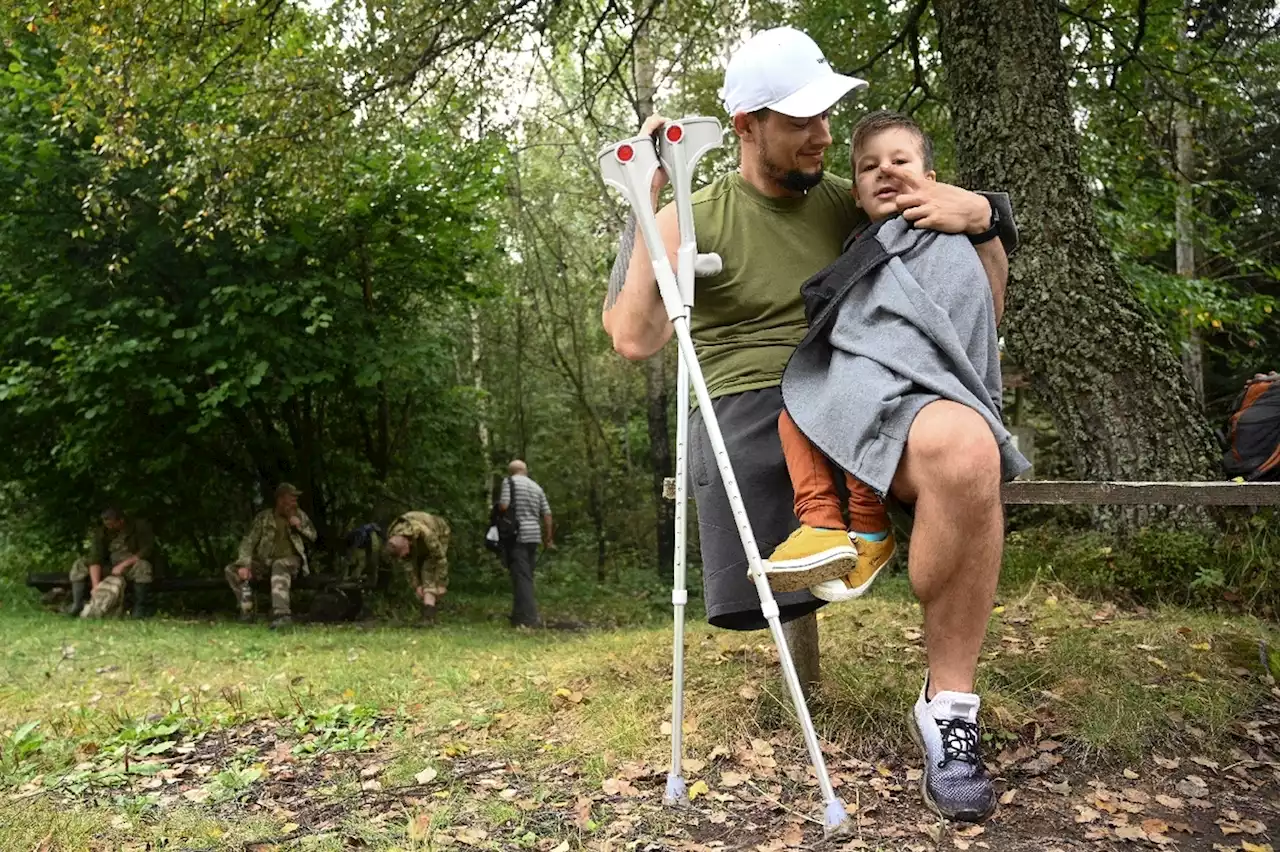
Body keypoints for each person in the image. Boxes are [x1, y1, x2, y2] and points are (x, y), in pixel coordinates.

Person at [602, 27, 1015, 822]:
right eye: (799, 120)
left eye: (827, 114)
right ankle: (847, 533)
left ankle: (949, 711)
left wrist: (987, 219)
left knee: (969, 450)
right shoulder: (700, 210)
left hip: (872, 390)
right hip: (758, 409)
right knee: (908, 451)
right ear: (745, 127)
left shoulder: (858, 195)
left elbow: (978, 306)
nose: (824, 134)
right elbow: (634, 337)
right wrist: (646, 201)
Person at [768, 111, 1030, 607]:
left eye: (900, 160)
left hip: (924, 390)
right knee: (794, 412)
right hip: (873, 381)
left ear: (932, 182)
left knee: (855, 393)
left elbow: (963, 316)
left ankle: (868, 528)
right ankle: (821, 524)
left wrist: (980, 217)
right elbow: (856, 319)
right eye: (869, 167)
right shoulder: (860, 248)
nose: (884, 170)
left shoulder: (946, 239)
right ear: (856, 193)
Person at [224, 483, 316, 629]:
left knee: (279, 565)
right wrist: (244, 564)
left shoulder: (299, 515)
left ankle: (282, 615)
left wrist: (299, 528)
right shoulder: (264, 518)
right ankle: (247, 610)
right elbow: (249, 541)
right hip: (265, 563)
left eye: (295, 499)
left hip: (291, 562)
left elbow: (313, 538)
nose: (295, 502)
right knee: (231, 569)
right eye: (291, 498)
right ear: (280, 500)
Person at [68, 506, 160, 619]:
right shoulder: (102, 531)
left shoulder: (138, 527)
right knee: (79, 564)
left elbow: (146, 550)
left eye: (112, 524)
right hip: (110, 566)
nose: (109, 527)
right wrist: (96, 586)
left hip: (131, 566)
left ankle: (140, 607)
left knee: (143, 566)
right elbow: (95, 558)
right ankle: (77, 604)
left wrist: (124, 564)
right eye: (107, 524)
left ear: (121, 521)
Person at [498, 460, 554, 628]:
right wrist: (548, 538)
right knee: (524, 574)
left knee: (522, 578)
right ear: (525, 470)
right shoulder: (537, 487)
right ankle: (518, 616)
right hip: (534, 536)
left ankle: (529, 619)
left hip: (517, 536)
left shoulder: (509, 482)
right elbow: (547, 514)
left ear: (511, 471)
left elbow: (504, 505)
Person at [384, 511, 451, 625]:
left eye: (404, 553)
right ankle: (428, 610)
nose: (404, 556)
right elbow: (408, 565)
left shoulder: (426, 535)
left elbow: (440, 558)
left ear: (406, 543)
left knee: (428, 569)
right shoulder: (394, 537)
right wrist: (416, 585)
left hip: (439, 531)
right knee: (419, 571)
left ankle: (428, 616)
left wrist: (441, 583)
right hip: (416, 540)